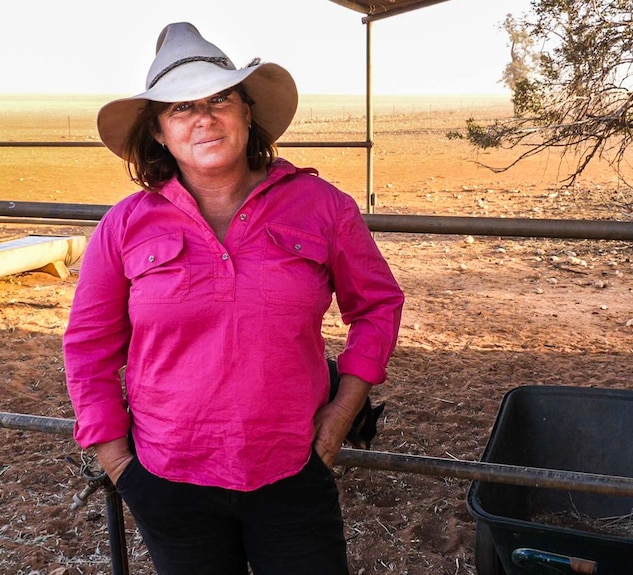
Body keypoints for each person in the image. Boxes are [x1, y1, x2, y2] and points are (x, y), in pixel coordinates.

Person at [63, 22, 404, 575]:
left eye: (219, 97)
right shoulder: (125, 225)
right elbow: (87, 346)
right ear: (158, 132)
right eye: (180, 107)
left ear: (247, 111)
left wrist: (341, 416)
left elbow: (377, 307)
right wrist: (119, 463)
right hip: (168, 479)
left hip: (293, 468)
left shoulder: (322, 207)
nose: (203, 117)